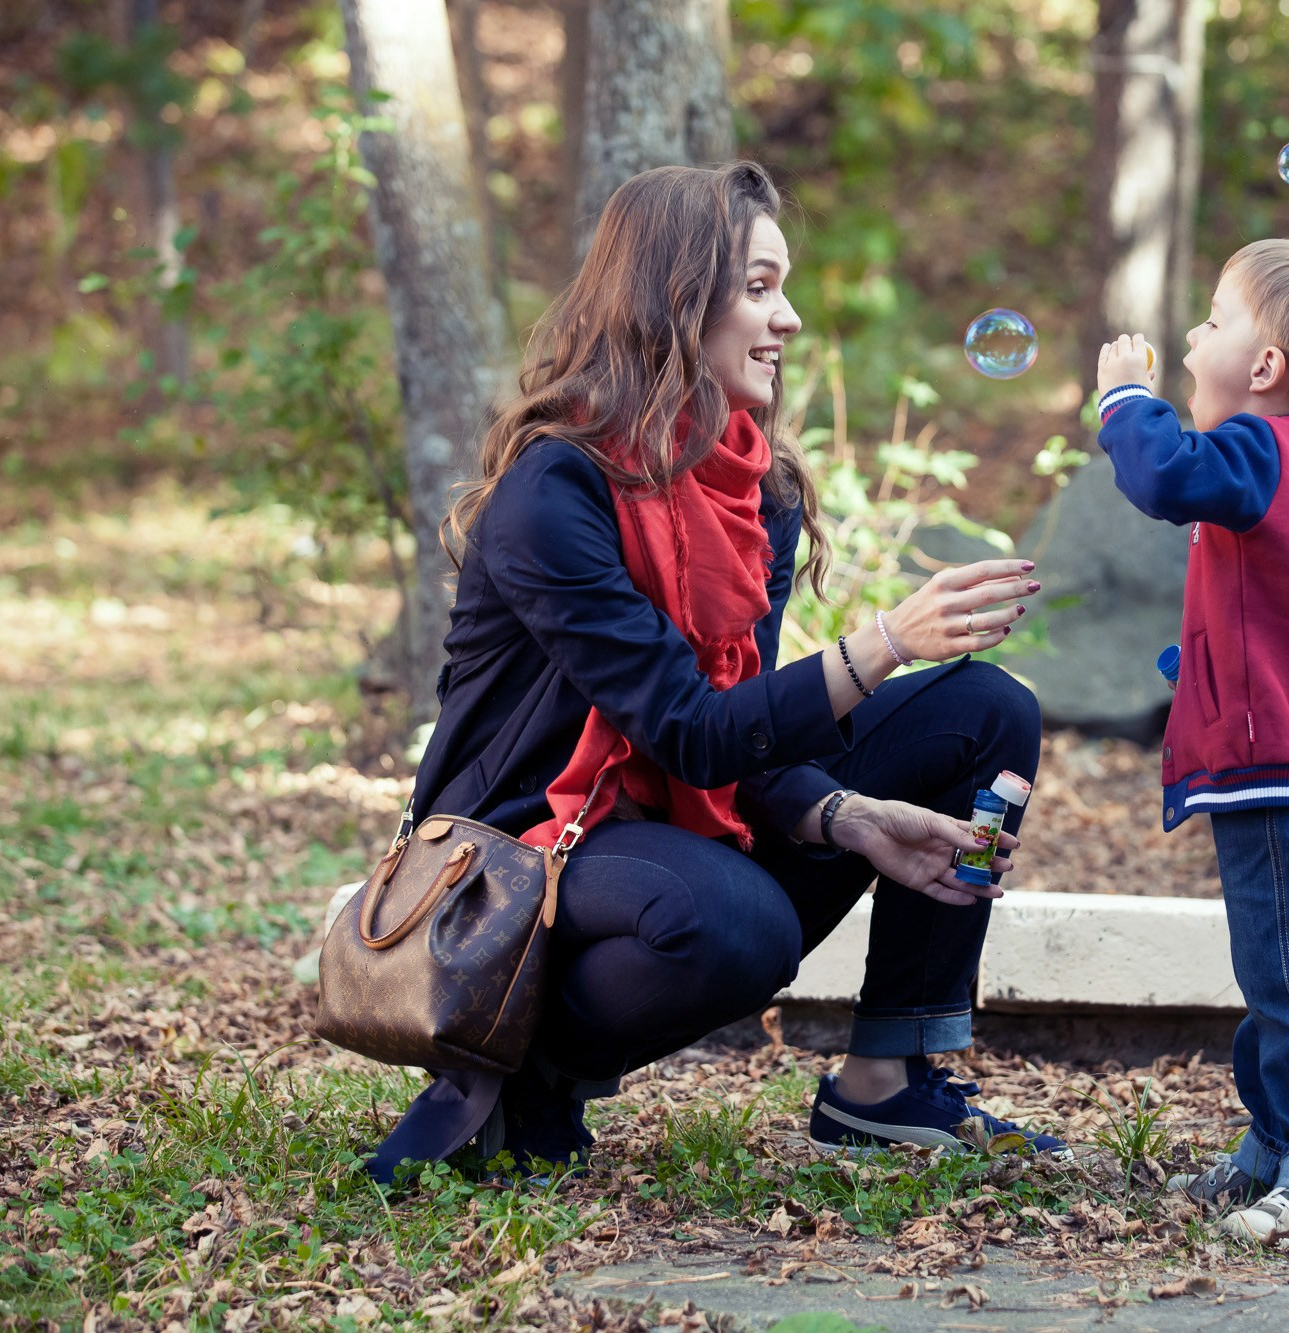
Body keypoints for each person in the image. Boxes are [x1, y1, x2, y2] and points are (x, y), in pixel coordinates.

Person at [363, 161, 1064, 1183]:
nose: (786, 319)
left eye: (783, 287)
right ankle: (516, 1070)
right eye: (757, 287)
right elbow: (687, 728)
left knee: (981, 709)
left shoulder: (755, 496)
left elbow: (748, 737)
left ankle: (885, 1080)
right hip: (521, 849)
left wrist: (844, 816)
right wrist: (882, 644)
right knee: (736, 923)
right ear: (674, 301)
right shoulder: (554, 490)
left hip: (674, 815)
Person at [1091, 238, 1289, 1244]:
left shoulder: (1257, 450)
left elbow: (1162, 475)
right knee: (1277, 965)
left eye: (1215, 320)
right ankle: (1273, 1146)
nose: (1190, 335)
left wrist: (1126, 401)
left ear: (1264, 368)